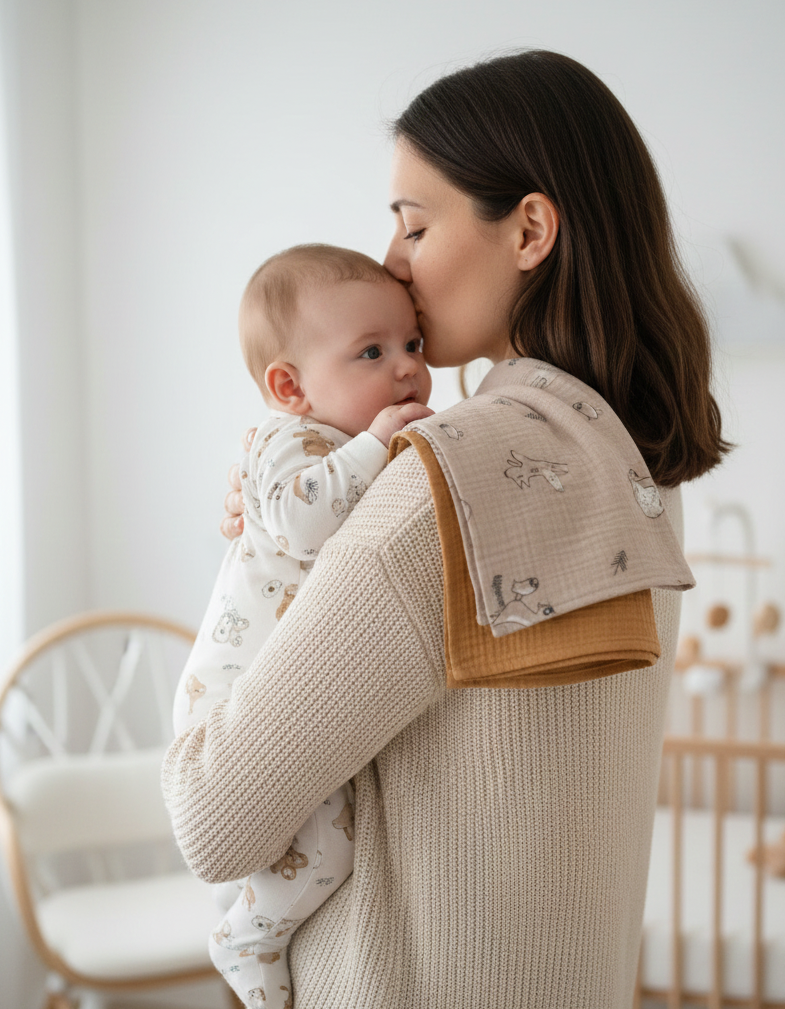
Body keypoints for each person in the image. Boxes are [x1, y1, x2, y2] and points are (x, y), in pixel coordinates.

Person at [163, 50, 729, 1009]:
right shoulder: (632, 464)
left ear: (530, 230)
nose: (392, 260)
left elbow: (211, 820)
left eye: (415, 224)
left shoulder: (446, 485)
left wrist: (264, 547)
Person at [171, 243, 432, 1009]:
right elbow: (302, 522)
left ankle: (251, 918)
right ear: (289, 387)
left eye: (413, 343)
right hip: (232, 692)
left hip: (273, 688)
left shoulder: (340, 447)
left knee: (324, 844)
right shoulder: (289, 441)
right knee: (328, 851)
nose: (407, 368)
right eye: (372, 352)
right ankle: (246, 938)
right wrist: (380, 443)